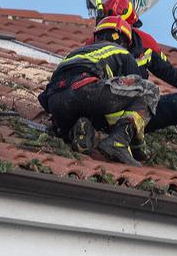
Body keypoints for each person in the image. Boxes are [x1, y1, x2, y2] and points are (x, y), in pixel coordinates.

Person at [92, 0, 177, 156]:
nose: (119, 36)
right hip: (102, 116)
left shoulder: (144, 45)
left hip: (137, 115)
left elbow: (168, 71)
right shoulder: (90, 48)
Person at [37, 15, 160, 166]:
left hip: (55, 101)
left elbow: (44, 97)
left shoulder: (75, 53)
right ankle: (119, 141)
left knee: (86, 107)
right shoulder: (122, 52)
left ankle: (79, 129)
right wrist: (138, 143)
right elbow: (134, 87)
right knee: (149, 90)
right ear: (123, 40)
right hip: (86, 90)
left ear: (97, 36)